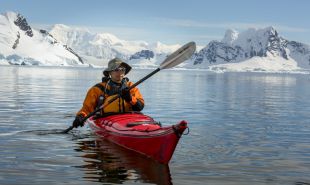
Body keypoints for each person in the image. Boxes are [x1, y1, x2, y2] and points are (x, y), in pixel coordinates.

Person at [72, 58, 144, 128]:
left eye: (122, 70)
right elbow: (86, 109)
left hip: (129, 119)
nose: (120, 73)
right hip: (105, 119)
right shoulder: (97, 89)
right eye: (116, 70)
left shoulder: (131, 87)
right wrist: (80, 116)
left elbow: (140, 107)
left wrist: (130, 98)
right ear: (110, 72)